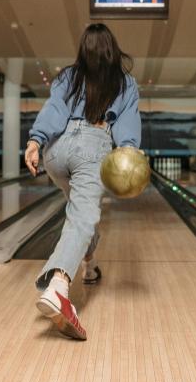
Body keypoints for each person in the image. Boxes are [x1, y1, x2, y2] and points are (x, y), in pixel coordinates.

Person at [25, 23, 141, 340]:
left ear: (84, 50)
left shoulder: (68, 76)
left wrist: (35, 142)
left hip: (56, 151)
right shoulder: (125, 82)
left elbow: (54, 109)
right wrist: (129, 155)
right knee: (83, 217)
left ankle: (89, 265)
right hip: (92, 147)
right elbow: (127, 129)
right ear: (112, 50)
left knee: (80, 214)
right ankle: (59, 286)